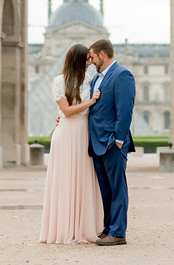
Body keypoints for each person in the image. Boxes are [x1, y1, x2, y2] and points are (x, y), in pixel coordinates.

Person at [39, 44, 103, 244]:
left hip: (84, 133)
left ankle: (85, 228)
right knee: (66, 180)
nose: (89, 63)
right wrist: (90, 102)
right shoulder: (59, 81)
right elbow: (66, 111)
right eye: (86, 60)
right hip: (66, 134)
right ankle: (66, 229)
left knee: (84, 179)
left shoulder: (91, 80)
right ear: (77, 60)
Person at [87, 39, 136, 246]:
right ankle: (108, 228)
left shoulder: (121, 75)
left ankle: (118, 232)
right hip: (97, 142)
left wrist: (117, 139)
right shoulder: (96, 78)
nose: (90, 61)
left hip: (110, 142)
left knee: (117, 188)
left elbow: (125, 110)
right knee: (106, 189)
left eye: (92, 57)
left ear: (102, 55)